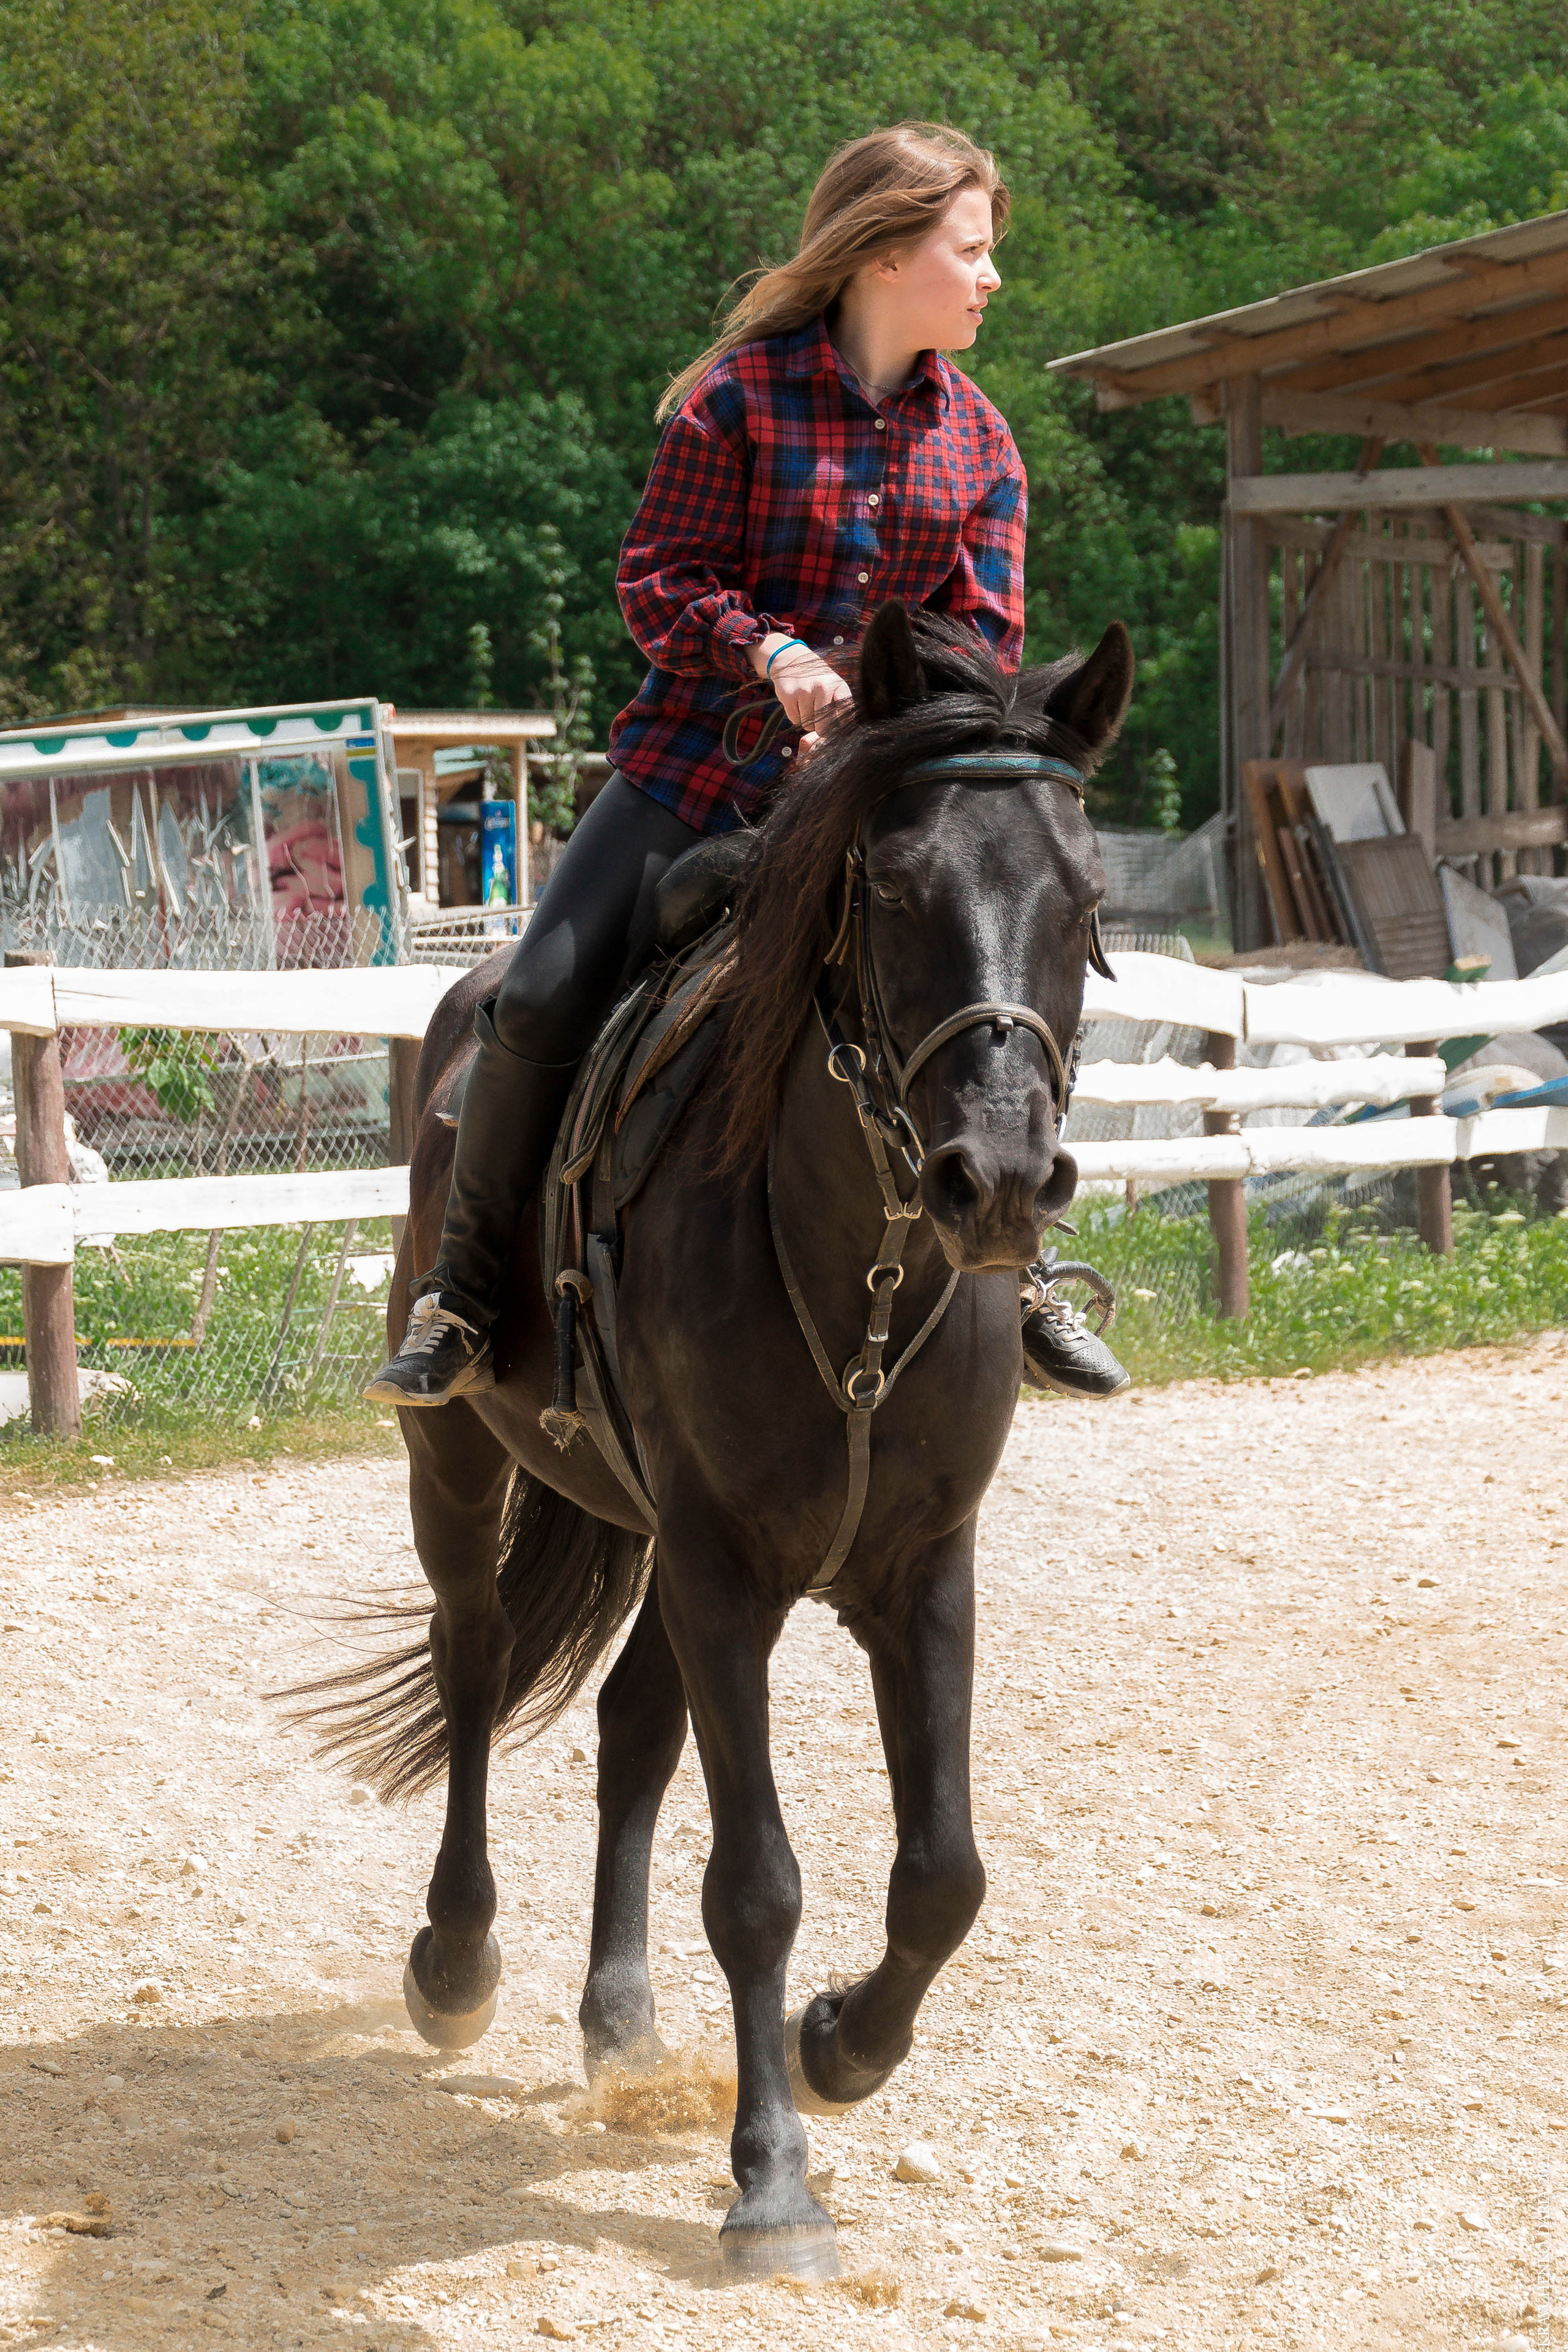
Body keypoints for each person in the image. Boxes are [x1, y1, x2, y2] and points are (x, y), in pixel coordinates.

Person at [366, 119, 1128, 1409]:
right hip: (686, 781)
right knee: (541, 994)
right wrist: (773, 653)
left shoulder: (983, 445)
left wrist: (899, 709)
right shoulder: (733, 401)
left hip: (872, 807)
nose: (991, 277)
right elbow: (654, 585)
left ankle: (1022, 1260)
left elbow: (985, 639)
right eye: (972, 250)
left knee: (989, 981)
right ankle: (460, 1294)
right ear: (886, 253)